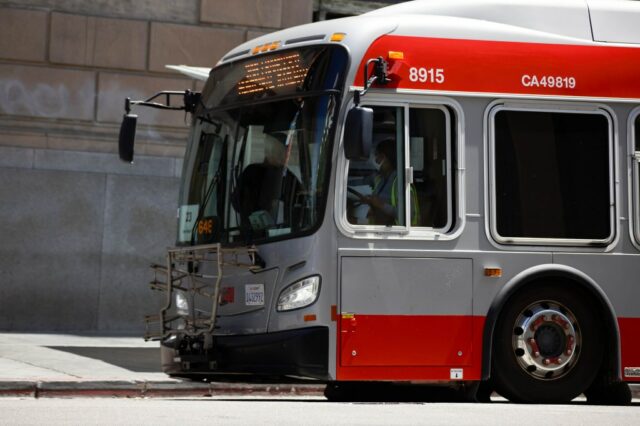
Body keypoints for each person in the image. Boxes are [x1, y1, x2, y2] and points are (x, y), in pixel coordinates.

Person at [362, 138, 419, 226]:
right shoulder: (381, 179)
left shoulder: (401, 183)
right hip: (380, 229)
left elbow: (408, 216)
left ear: (387, 158)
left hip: (398, 235)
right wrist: (372, 203)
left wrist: (381, 205)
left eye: (378, 156)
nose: (376, 160)